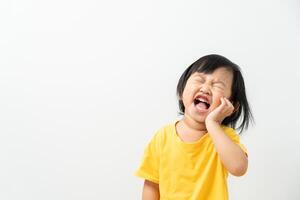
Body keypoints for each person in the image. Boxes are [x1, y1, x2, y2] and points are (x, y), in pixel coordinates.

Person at [134, 54, 253, 200]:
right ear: (181, 91)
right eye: (200, 80)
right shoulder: (162, 136)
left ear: (232, 106)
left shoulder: (223, 137)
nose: (206, 88)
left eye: (217, 85)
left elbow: (239, 168)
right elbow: (152, 185)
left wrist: (212, 124)